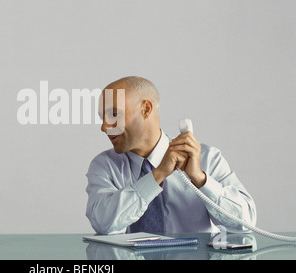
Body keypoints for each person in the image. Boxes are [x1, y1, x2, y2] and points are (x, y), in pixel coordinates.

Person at [85, 76, 256, 235]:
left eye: (114, 114)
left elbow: (245, 224)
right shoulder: (104, 166)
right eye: (102, 118)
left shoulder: (208, 158)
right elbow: (103, 224)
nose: (104, 127)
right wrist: (158, 175)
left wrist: (199, 178)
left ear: (146, 109)